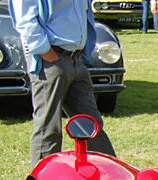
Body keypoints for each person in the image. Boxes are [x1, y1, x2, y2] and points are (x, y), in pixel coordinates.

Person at [9, 0, 116, 167]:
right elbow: (26, 20)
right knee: (48, 128)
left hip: (76, 60)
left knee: (92, 125)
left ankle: (108, 179)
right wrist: (46, 53)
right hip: (50, 60)